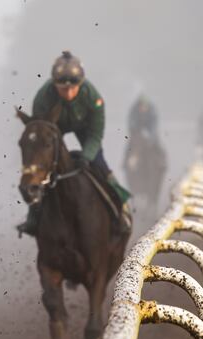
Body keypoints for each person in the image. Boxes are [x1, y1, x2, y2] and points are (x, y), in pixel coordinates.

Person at [17, 51, 131, 237]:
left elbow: (95, 134)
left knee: (99, 163)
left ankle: (121, 209)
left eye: (73, 88)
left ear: (81, 84)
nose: (68, 93)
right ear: (54, 84)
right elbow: (39, 134)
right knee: (41, 171)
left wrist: (86, 156)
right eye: (62, 89)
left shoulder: (93, 97)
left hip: (84, 128)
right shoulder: (43, 97)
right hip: (52, 128)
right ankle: (33, 218)